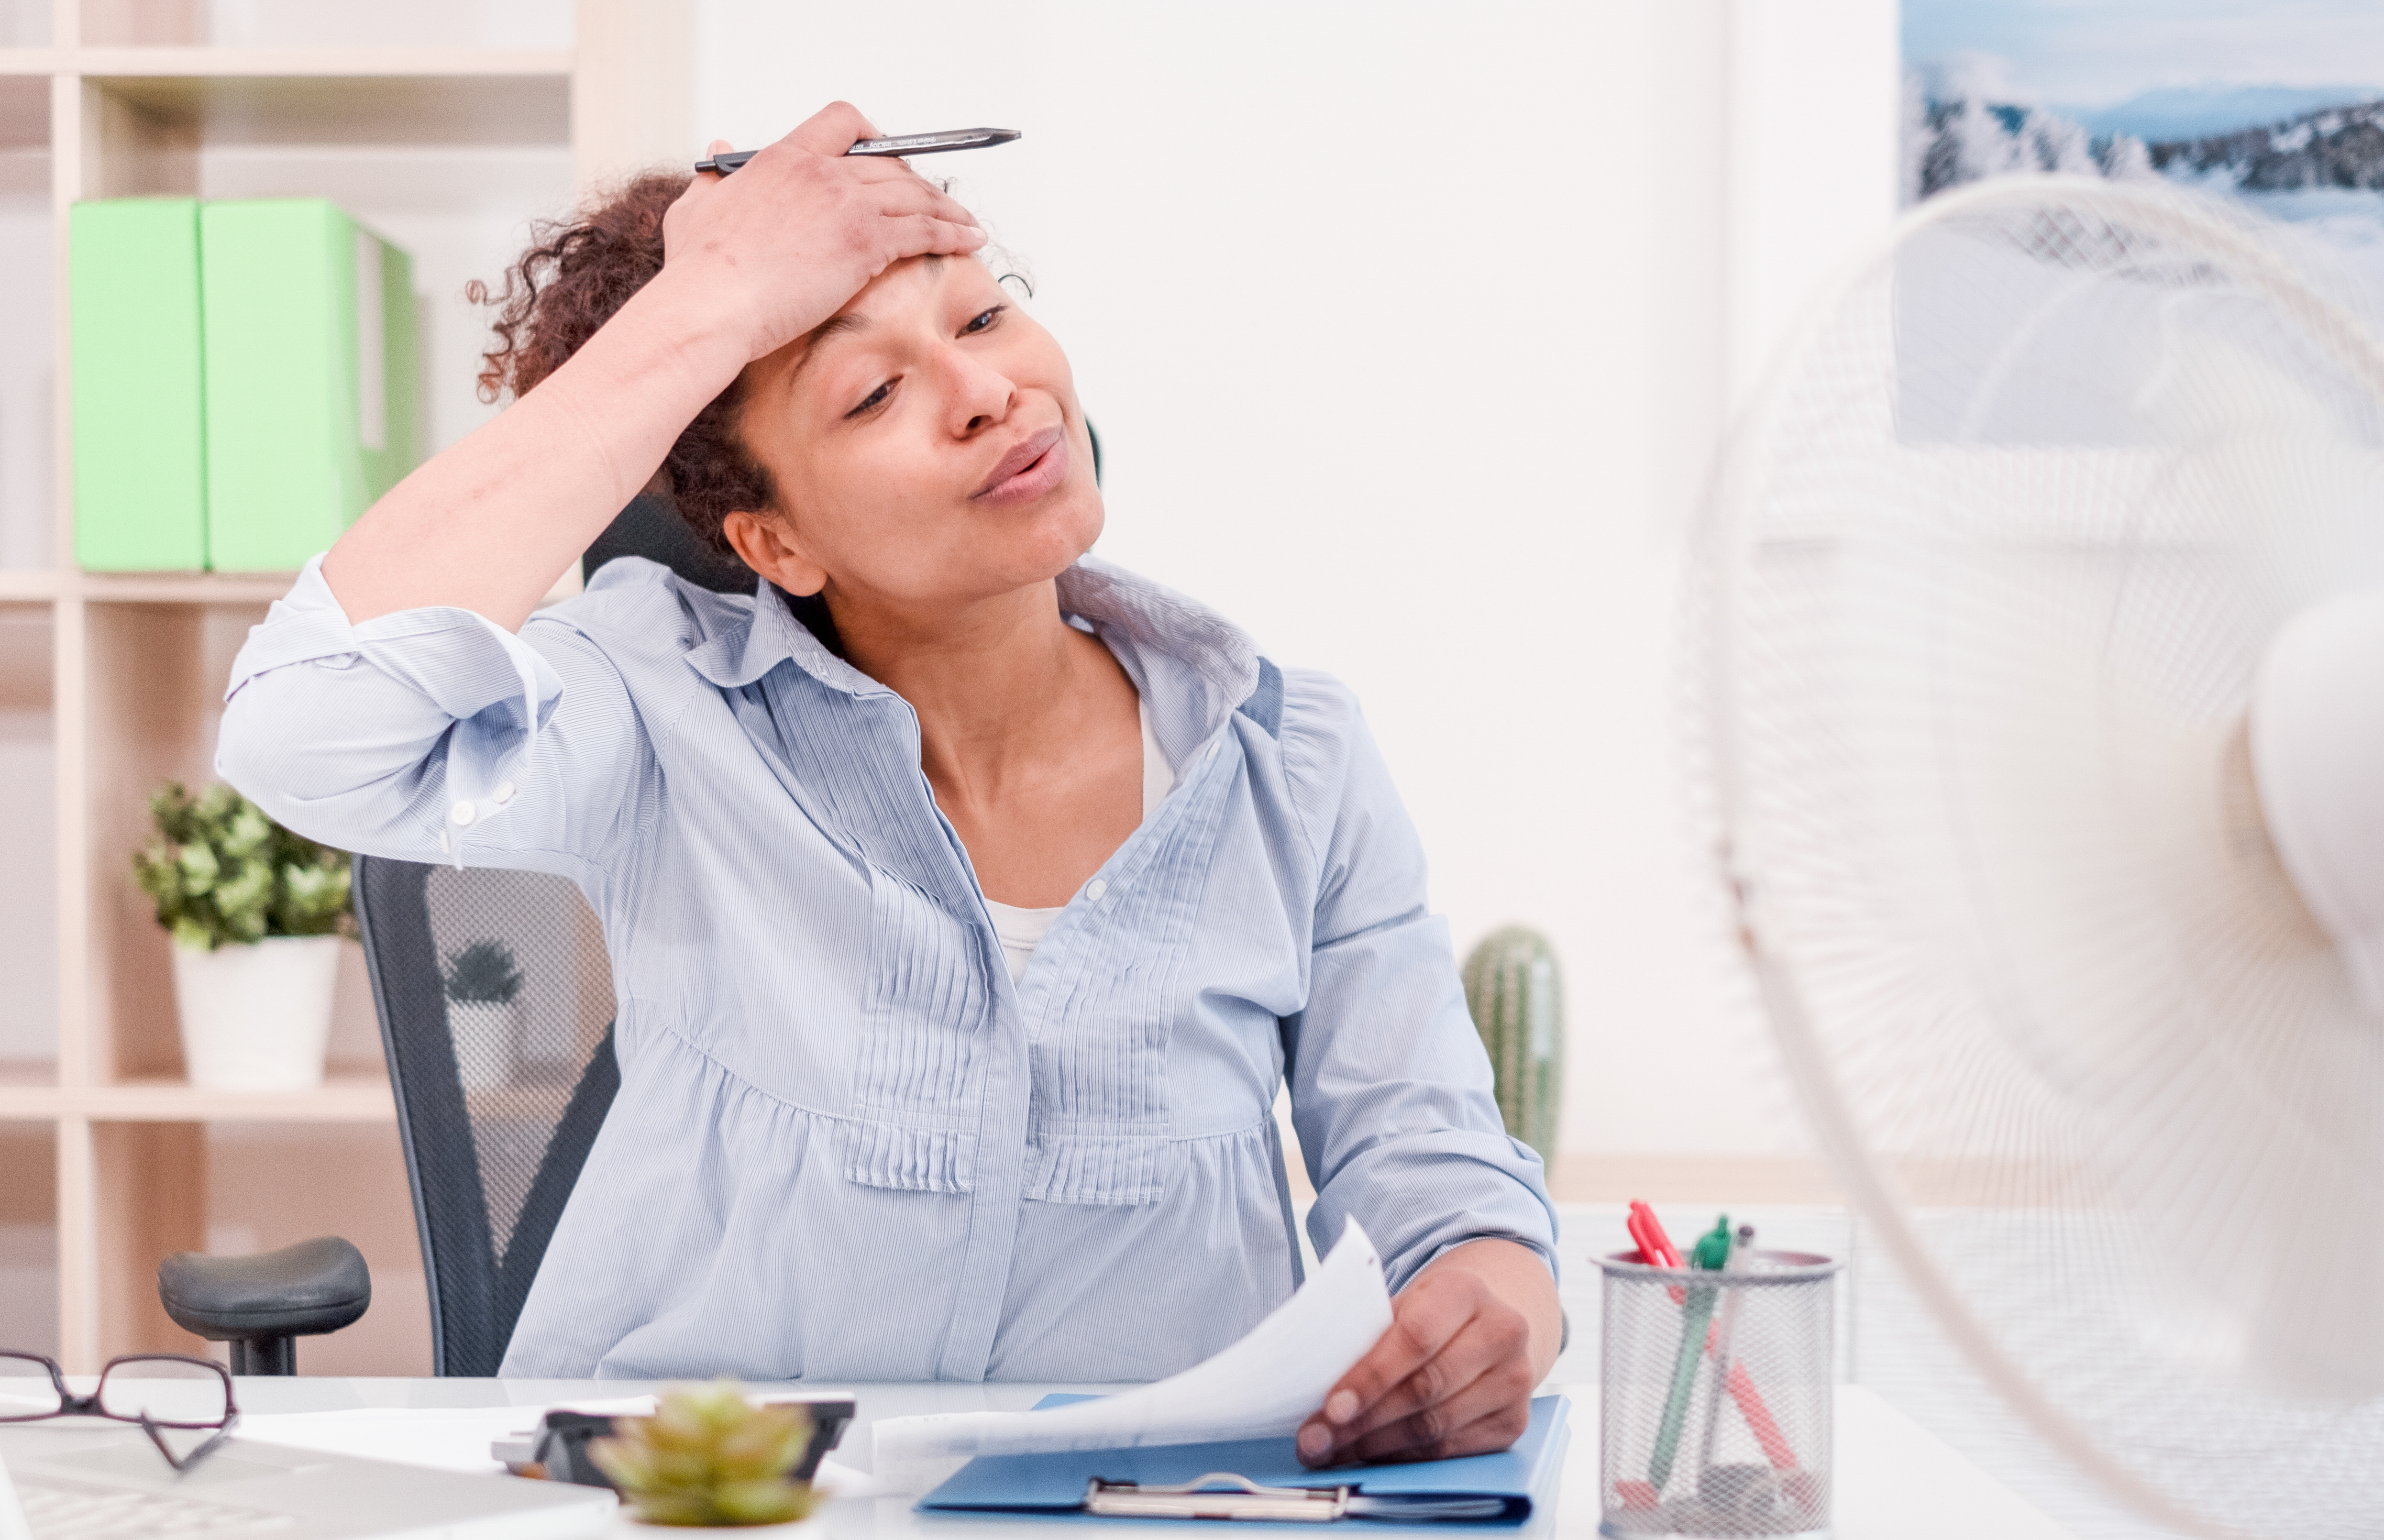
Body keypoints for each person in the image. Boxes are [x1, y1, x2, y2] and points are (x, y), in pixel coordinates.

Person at [218, 103, 1559, 1469]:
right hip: (713, 1514)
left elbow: (1431, 1162)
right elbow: (306, 728)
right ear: (774, 544)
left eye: (984, 319)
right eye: (871, 395)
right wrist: (706, 307)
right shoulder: (661, 705)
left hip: (1148, 1525)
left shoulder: (1290, 758)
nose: (989, 393)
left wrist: (1490, 1297)